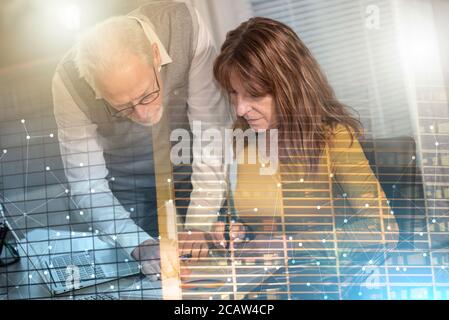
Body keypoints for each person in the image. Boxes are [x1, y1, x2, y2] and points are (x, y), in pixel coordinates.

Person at [213, 17, 399, 296]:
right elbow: (243, 216)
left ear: (289, 87)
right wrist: (232, 229)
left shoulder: (334, 139)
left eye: (254, 95)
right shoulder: (243, 139)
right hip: (268, 286)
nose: (240, 109)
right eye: (234, 94)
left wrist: (288, 244)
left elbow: (384, 229)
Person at [52, 1, 232, 280]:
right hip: (127, 198)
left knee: (220, 275)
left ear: (156, 54)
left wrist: (198, 226)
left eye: (147, 94)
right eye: (123, 108)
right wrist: (137, 243)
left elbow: (213, 138)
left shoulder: (185, 25)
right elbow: (87, 184)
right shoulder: (67, 83)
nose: (143, 114)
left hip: (197, 177)